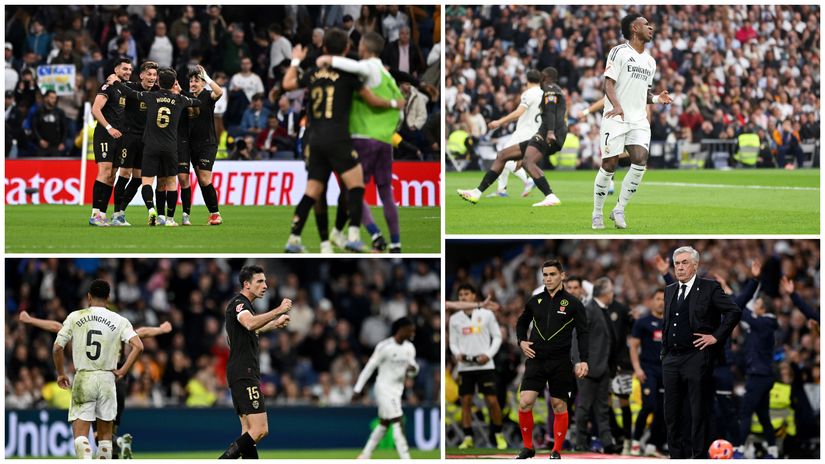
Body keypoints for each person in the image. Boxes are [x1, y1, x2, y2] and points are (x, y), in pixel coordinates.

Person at [281, 29, 403, 253]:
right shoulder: (349, 76)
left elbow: (287, 84)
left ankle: (294, 239)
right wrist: (395, 104)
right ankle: (353, 235)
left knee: (312, 191)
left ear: (324, 48)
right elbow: (373, 100)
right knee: (356, 185)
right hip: (338, 137)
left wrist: (296, 60)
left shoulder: (314, 72)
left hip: (314, 139)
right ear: (347, 49)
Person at [19, 310, 172, 459]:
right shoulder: (117, 327)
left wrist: (31, 320)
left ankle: (118, 443)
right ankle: (119, 444)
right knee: (106, 435)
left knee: (98, 435)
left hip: (95, 379)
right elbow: (142, 333)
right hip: (116, 382)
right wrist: (160, 329)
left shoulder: (84, 326)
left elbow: (57, 327)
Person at [316, 31, 404, 252]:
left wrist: (330, 60)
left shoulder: (371, 67)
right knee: (386, 192)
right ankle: (396, 243)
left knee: (353, 189)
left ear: (365, 47)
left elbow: (358, 68)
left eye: (361, 45)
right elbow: (400, 111)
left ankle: (375, 234)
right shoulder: (388, 76)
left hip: (363, 138)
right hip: (385, 141)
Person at [592, 13, 672, 230]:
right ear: (634, 28)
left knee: (640, 160)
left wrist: (657, 98)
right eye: (646, 24)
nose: (651, 27)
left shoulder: (650, 61)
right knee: (609, 165)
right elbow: (608, 84)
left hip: (638, 119)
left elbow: (644, 93)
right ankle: (597, 213)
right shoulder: (618, 52)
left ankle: (619, 209)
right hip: (616, 118)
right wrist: (617, 106)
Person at [661, 246, 741, 458]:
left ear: (695, 265)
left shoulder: (709, 287)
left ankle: (698, 456)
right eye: (677, 263)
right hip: (671, 358)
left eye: (684, 262)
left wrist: (716, 336)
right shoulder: (669, 289)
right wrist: (664, 351)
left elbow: (734, 311)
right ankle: (676, 456)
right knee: (671, 412)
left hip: (696, 356)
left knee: (698, 411)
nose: (679, 267)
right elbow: (668, 323)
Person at [52, 279, 144, 459]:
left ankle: (85, 453)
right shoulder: (119, 320)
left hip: (84, 377)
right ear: (108, 298)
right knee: (104, 439)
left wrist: (61, 373)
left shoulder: (75, 316)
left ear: (89, 297)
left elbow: (57, 347)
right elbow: (138, 346)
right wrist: (123, 370)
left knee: (81, 436)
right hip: (107, 378)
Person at [458, 67, 566, 208]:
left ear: (546, 77)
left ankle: (549, 195)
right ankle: (477, 192)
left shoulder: (550, 88)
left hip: (547, 134)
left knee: (527, 162)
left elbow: (550, 110)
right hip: (540, 133)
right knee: (503, 155)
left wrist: (551, 131)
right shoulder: (546, 92)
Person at [515, 259, 589, 459]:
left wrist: (583, 360)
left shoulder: (574, 304)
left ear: (562, 275)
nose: (548, 279)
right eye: (545, 275)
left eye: (552, 274)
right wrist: (521, 341)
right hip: (536, 359)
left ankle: (556, 449)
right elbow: (521, 323)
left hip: (560, 361)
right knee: (525, 402)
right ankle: (528, 447)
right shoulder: (535, 301)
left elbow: (583, 333)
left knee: (559, 405)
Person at [108, 67, 201, 226]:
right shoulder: (180, 100)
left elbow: (131, 94)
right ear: (174, 83)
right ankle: (170, 219)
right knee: (171, 182)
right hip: (171, 147)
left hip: (150, 146)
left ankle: (151, 209)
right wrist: (180, 92)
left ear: (158, 81)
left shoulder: (150, 97)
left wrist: (116, 82)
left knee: (146, 182)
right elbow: (198, 102)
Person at [218, 265, 292, 459]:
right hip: (244, 372)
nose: (265, 285)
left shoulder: (242, 306)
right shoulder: (239, 304)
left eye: (265, 281)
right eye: (260, 281)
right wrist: (278, 310)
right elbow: (250, 323)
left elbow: (249, 330)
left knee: (248, 431)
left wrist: (273, 325)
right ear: (246, 284)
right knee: (260, 429)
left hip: (239, 372)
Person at [448, 284, 506, 450]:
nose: (463, 297)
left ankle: (498, 434)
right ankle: (468, 437)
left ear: (474, 296)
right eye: (460, 295)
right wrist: (457, 354)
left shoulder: (486, 314)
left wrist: (488, 354)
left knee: (492, 401)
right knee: (465, 401)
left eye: (466, 294)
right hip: (465, 366)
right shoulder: (454, 319)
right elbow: (452, 342)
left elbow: (497, 337)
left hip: (485, 364)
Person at [353, 317, 418, 459]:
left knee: (384, 424)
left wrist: (413, 369)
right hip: (383, 388)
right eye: (410, 330)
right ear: (401, 330)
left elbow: (414, 369)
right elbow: (369, 368)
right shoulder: (384, 347)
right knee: (397, 421)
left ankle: (365, 455)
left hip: (397, 390)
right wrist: (358, 388)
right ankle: (406, 458)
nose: (413, 333)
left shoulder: (409, 348)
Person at [475, 69, 542, 200]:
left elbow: (518, 113)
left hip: (524, 132)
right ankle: (501, 189)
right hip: (536, 132)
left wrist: (499, 122)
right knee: (504, 158)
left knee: (502, 157)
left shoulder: (528, 94)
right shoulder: (545, 95)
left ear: (527, 81)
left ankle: (529, 180)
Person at [572, 277, 620, 454]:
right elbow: (577, 336)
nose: (613, 294)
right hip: (588, 367)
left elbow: (608, 341)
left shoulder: (603, 309)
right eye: (612, 291)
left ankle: (607, 442)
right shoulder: (589, 309)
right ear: (605, 293)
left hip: (603, 367)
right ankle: (580, 442)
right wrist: (578, 361)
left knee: (602, 408)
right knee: (584, 407)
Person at [111, 60, 158, 226]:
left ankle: (121, 210)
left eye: (154, 75)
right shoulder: (131, 87)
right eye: (149, 74)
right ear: (142, 76)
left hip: (145, 140)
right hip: (129, 137)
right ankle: (116, 214)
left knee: (138, 178)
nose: (152, 78)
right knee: (124, 174)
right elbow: (116, 87)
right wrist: (114, 78)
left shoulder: (158, 91)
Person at [178, 64, 224, 226]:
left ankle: (215, 213)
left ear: (203, 82)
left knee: (204, 178)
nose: (193, 83)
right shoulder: (185, 97)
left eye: (197, 80)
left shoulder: (207, 96)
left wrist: (207, 77)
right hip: (190, 145)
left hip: (207, 144)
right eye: (191, 81)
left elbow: (219, 92)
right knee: (194, 179)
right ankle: (200, 214)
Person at [89, 57, 131, 226]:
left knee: (112, 176)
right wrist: (108, 128)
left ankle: (103, 214)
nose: (128, 72)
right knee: (105, 172)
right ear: (116, 70)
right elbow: (95, 109)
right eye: (124, 69)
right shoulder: (108, 86)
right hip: (105, 134)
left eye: (129, 69)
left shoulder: (124, 88)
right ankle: (95, 214)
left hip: (119, 136)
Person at [629, 288, 666, 457]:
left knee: (662, 409)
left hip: (665, 371)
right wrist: (637, 368)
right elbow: (634, 346)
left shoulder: (670, 322)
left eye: (663, 299)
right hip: (648, 369)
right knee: (649, 405)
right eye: (657, 298)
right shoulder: (643, 322)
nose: (660, 302)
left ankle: (652, 444)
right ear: (652, 301)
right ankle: (636, 441)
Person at [33, 89, 67, 157]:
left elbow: (65, 128)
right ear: (45, 98)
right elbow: (34, 127)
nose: (54, 100)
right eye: (51, 97)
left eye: (55, 98)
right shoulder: (39, 112)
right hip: (42, 146)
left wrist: (63, 142)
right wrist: (40, 140)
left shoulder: (60, 112)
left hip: (56, 146)